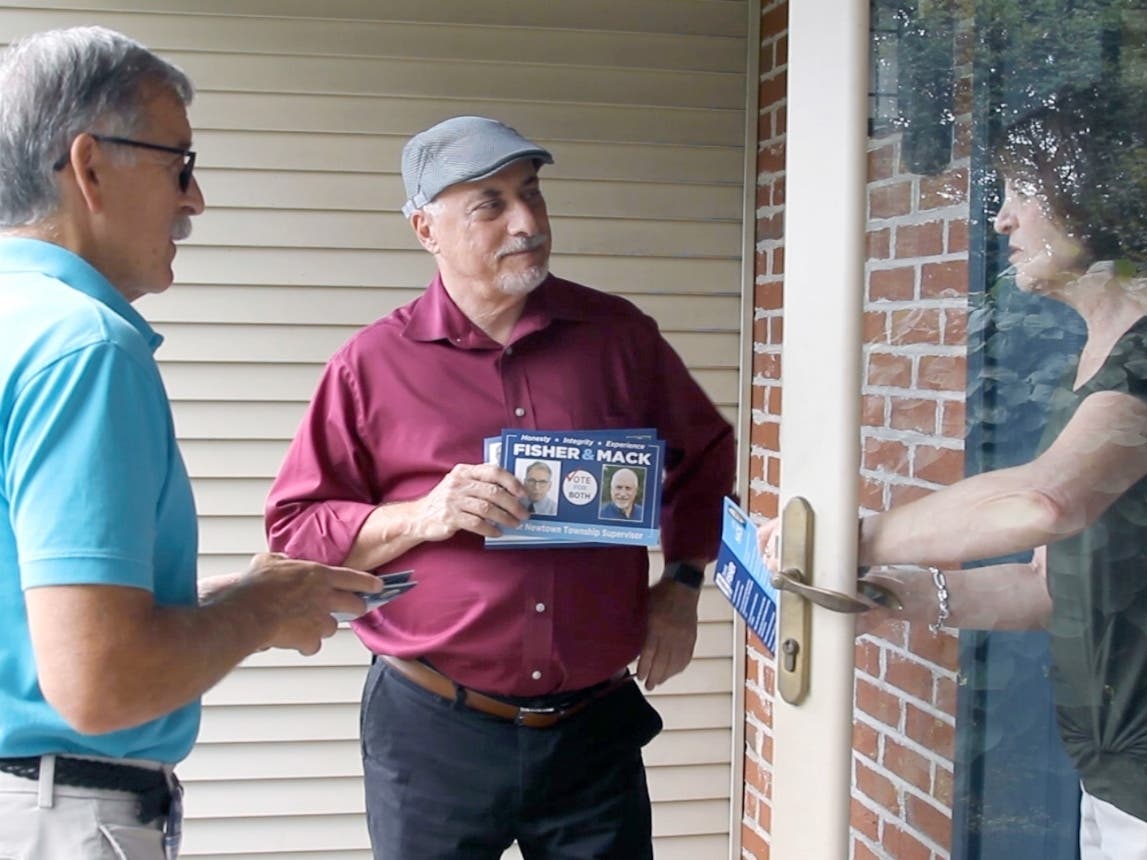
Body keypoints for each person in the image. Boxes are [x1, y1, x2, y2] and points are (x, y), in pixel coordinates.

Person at [265, 114, 736, 860]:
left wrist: (680, 584)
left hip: (592, 733)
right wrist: (422, 515)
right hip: (432, 731)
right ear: (427, 229)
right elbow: (296, 531)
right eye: (490, 204)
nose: (526, 222)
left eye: (532, 194)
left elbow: (704, 454)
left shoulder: (618, 339)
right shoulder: (369, 365)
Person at [0, 26, 383, 860]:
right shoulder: (85, 350)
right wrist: (259, 610)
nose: (195, 199)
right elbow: (99, 684)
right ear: (89, 166)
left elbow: (32, 614)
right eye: (180, 164)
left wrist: (227, 596)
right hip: (60, 820)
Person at [763, 83, 1147, 860]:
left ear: (1085, 192)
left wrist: (844, 538)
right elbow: (1048, 587)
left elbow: (1044, 501)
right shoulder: (1093, 362)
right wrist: (895, 592)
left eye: (1018, 193)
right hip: (1111, 780)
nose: (1000, 218)